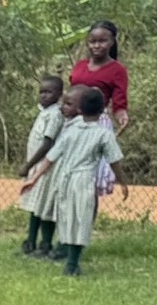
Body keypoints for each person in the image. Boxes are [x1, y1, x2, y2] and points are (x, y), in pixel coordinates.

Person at [33, 85, 125, 278]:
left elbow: (51, 157)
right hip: (83, 181)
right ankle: (73, 263)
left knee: (66, 219)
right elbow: (114, 160)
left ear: (80, 109)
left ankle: (67, 257)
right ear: (102, 112)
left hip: (64, 180)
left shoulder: (70, 131)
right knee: (81, 220)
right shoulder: (104, 134)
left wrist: (34, 178)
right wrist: (123, 182)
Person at [16, 75, 66, 258]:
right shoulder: (44, 112)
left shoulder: (55, 114)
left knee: (44, 206)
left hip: (45, 168)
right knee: (34, 205)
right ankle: (30, 241)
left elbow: (47, 143)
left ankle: (45, 244)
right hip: (36, 167)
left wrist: (28, 165)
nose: (44, 96)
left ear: (59, 94)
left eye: (49, 92)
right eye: (41, 92)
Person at [66, 19, 128, 131]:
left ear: (112, 42)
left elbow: (119, 102)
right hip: (72, 120)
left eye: (102, 41)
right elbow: (71, 92)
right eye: (92, 41)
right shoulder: (80, 65)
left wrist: (121, 116)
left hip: (96, 121)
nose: (96, 45)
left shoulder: (117, 70)